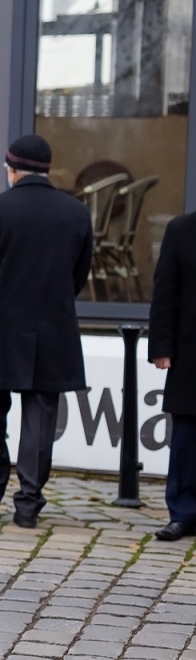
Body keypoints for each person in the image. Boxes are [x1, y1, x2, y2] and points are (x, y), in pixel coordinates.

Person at [0, 134, 92, 528]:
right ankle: (28, 505)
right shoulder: (75, 213)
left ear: (12, 169)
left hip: (3, 324)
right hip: (53, 326)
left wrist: (3, 299)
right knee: (40, 419)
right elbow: (80, 273)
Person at [151, 209, 196, 540]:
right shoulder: (182, 230)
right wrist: (161, 347)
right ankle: (183, 513)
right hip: (190, 354)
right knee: (186, 439)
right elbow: (164, 291)